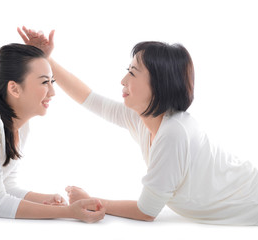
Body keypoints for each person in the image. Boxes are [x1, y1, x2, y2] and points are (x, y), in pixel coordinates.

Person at [18, 26, 258, 226]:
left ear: (158, 84)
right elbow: (88, 98)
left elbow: (146, 211)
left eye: (132, 73)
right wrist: (46, 58)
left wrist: (92, 201)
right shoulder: (144, 118)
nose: (123, 80)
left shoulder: (174, 132)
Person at [0, 43, 105, 223]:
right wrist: (69, 212)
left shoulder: (21, 125)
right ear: (14, 88)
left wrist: (43, 199)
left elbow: (5, 185)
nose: (53, 92)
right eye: (44, 82)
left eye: (52, 81)